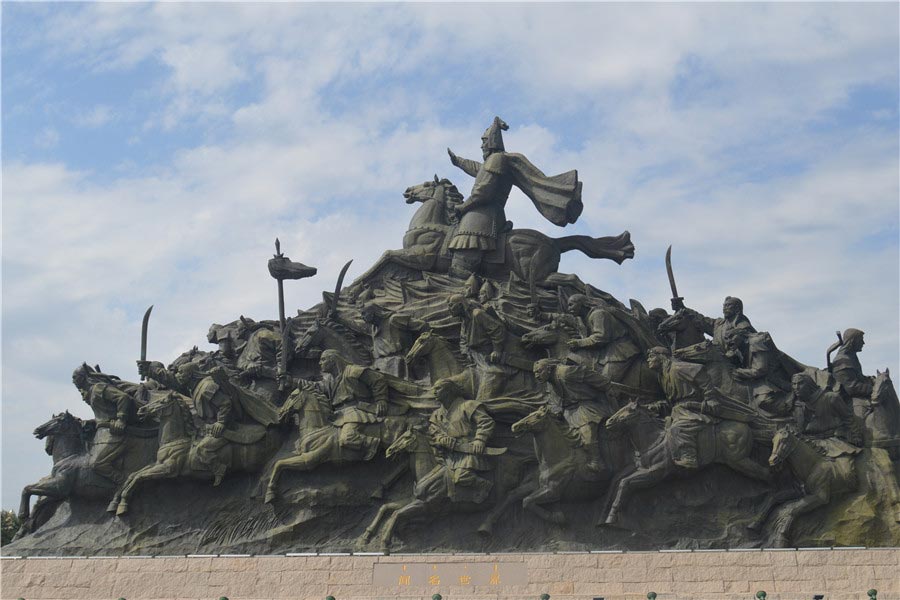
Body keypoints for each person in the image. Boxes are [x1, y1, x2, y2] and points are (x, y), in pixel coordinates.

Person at [446, 117, 583, 276]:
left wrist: (463, 206)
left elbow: (483, 192)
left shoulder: (497, 159)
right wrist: (458, 161)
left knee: (462, 262)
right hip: (482, 214)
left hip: (483, 217)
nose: (481, 145)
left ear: (491, 141)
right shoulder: (492, 162)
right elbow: (478, 169)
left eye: (484, 141)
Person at [138, 359, 278, 484]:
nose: (178, 376)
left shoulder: (206, 387)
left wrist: (221, 422)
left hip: (225, 428)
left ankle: (219, 470)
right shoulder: (194, 387)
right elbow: (173, 381)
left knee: (202, 449)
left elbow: (225, 403)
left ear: (191, 375)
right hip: (209, 428)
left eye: (181, 373)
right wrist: (151, 370)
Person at [533, 358, 615, 473]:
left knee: (587, 438)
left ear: (549, 368)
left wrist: (606, 385)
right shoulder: (549, 382)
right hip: (569, 411)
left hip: (586, 405)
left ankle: (597, 461)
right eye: (535, 373)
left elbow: (587, 374)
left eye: (539, 371)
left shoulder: (565, 372)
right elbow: (553, 401)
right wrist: (555, 411)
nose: (536, 375)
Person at [421, 377, 496, 503]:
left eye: (438, 388)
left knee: (462, 477)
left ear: (449, 391)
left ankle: (484, 485)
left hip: (469, 451)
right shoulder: (437, 415)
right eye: (434, 389)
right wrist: (441, 439)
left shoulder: (468, 405)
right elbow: (434, 432)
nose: (434, 392)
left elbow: (486, 421)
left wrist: (480, 440)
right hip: (450, 454)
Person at [646, 346, 711, 469]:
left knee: (677, 429)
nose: (648, 360)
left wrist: (710, 397)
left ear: (661, 357)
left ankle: (690, 457)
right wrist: (656, 407)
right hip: (678, 410)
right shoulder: (662, 376)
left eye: (651, 357)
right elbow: (672, 400)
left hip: (693, 407)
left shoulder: (677, 368)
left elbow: (699, 371)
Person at [72, 364, 138, 485]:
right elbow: (104, 415)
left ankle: (125, 483)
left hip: (113, 433)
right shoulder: (91, 393)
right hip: (101, 434)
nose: (73, 381)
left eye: (75, 377)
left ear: (83, 377)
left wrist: (121, 419)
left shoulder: (98, 388)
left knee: (98, 464)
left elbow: (123, 398)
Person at [319, 349, 387, 461]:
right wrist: (293, 381)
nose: (320, 363)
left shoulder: (352, 371)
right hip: (338, 415)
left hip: (355, 412)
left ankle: (373, 444)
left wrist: (381, 399)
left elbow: (378, 379)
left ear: (333, 360)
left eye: (323, 359)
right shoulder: (330, 380)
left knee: (347, 438)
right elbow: (317, 386)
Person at [565, 294, 641, 380]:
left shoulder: (598, 314)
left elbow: (601, 338)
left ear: (583, 304)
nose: (569, 309)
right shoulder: (586, 319)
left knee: (605, 380)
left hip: (620, 351)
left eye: (571, 304)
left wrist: (579, 343)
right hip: (606, 352)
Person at [360, 303, 425, 378]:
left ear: (373, 312)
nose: (362, 317)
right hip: (380, 366)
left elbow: (422, 325)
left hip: (398, 364)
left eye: (364, 313)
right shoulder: (374, 327)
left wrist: (418, 350)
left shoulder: (394, 319)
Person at [792, 372, 859, 445]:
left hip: (832, 442)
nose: (796, 387)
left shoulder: (831, 398)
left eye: (800, 383)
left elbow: (848, 419)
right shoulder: (798, 404)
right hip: (808, 442)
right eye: (794, 384)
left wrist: (857, 438)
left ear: (809, 384)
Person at [831, 328, 874, 419]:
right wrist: (873, 389)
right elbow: (851, 388)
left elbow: (857, 377)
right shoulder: (842, 360)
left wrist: (871, 380)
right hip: (847, 401)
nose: (863, 343)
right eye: (861, 339)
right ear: (853, 341)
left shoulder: (852, 357)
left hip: (858, 395)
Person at [685, 296, 756, 349]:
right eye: (724, 306)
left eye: (728, 305)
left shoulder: (743, 326)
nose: (724, 308)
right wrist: (684, 309)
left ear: (737, 308)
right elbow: (701, 319)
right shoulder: (718, 323)